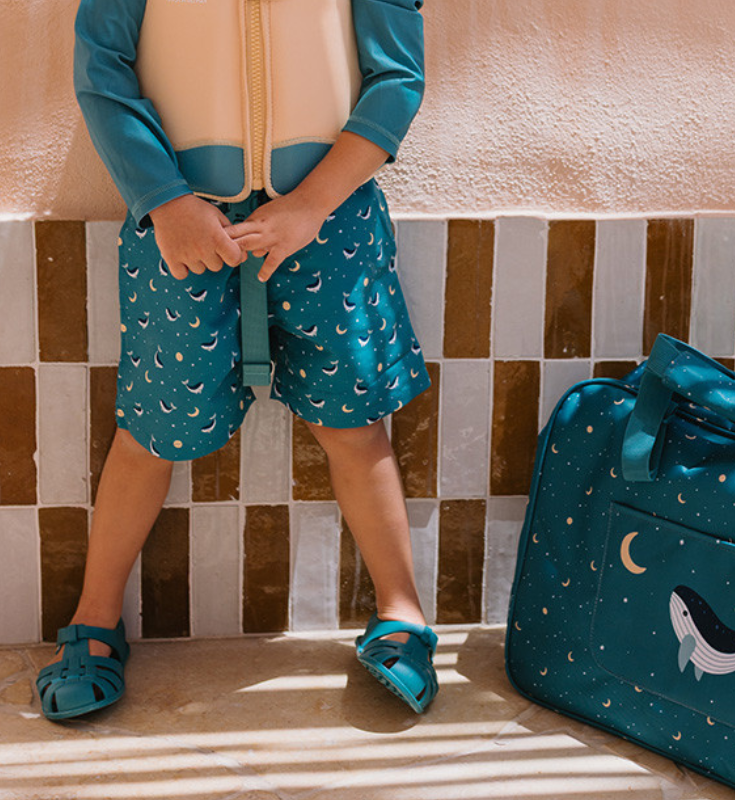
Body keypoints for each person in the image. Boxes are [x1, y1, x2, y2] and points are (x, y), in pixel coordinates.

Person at [37, 0, 438, 720]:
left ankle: (401, 611)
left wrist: (312, 203)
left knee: (354, 424)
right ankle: (95, 618)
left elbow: (397, 78)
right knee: (151, 430)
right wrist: (164, 201)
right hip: (178, 221)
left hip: (329, 215)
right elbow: (102, 68)